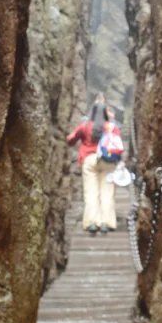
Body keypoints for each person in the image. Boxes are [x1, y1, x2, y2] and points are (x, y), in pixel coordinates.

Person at [67, 96, 116, 234]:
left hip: (89, 160)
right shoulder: (110, 127)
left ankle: (93, 222)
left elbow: (70, 139)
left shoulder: (85, 126)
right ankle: (106, 223)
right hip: (107, 161)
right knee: (107, 192)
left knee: (91, 192)